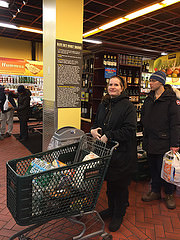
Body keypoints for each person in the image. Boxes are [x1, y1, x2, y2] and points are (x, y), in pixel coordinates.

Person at [91, 76, 137, 232]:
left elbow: (130, 130)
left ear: (122, 88)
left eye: (116, 85)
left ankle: (119, 214)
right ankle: (111, 209)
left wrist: (109, 135)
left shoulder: (128, 106)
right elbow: (97, 122)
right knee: (110, 185)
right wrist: (93, 129)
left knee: (120, 187)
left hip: (122, 155)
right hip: (107, 154)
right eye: (110, 84)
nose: (112, 87)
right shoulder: (104, 104)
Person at [141, 71, 180, 209]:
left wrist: (175, 144)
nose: (150, 83)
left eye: (153, 80)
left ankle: (169, 194)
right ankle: (155, 191)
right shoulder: (149, 98)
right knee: (153, 168)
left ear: (161, 82)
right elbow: (144, 115)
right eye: (150, 80)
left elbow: (176, 123)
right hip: (150, 140)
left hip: (164, 141)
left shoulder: (171, 100)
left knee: (166, 169)